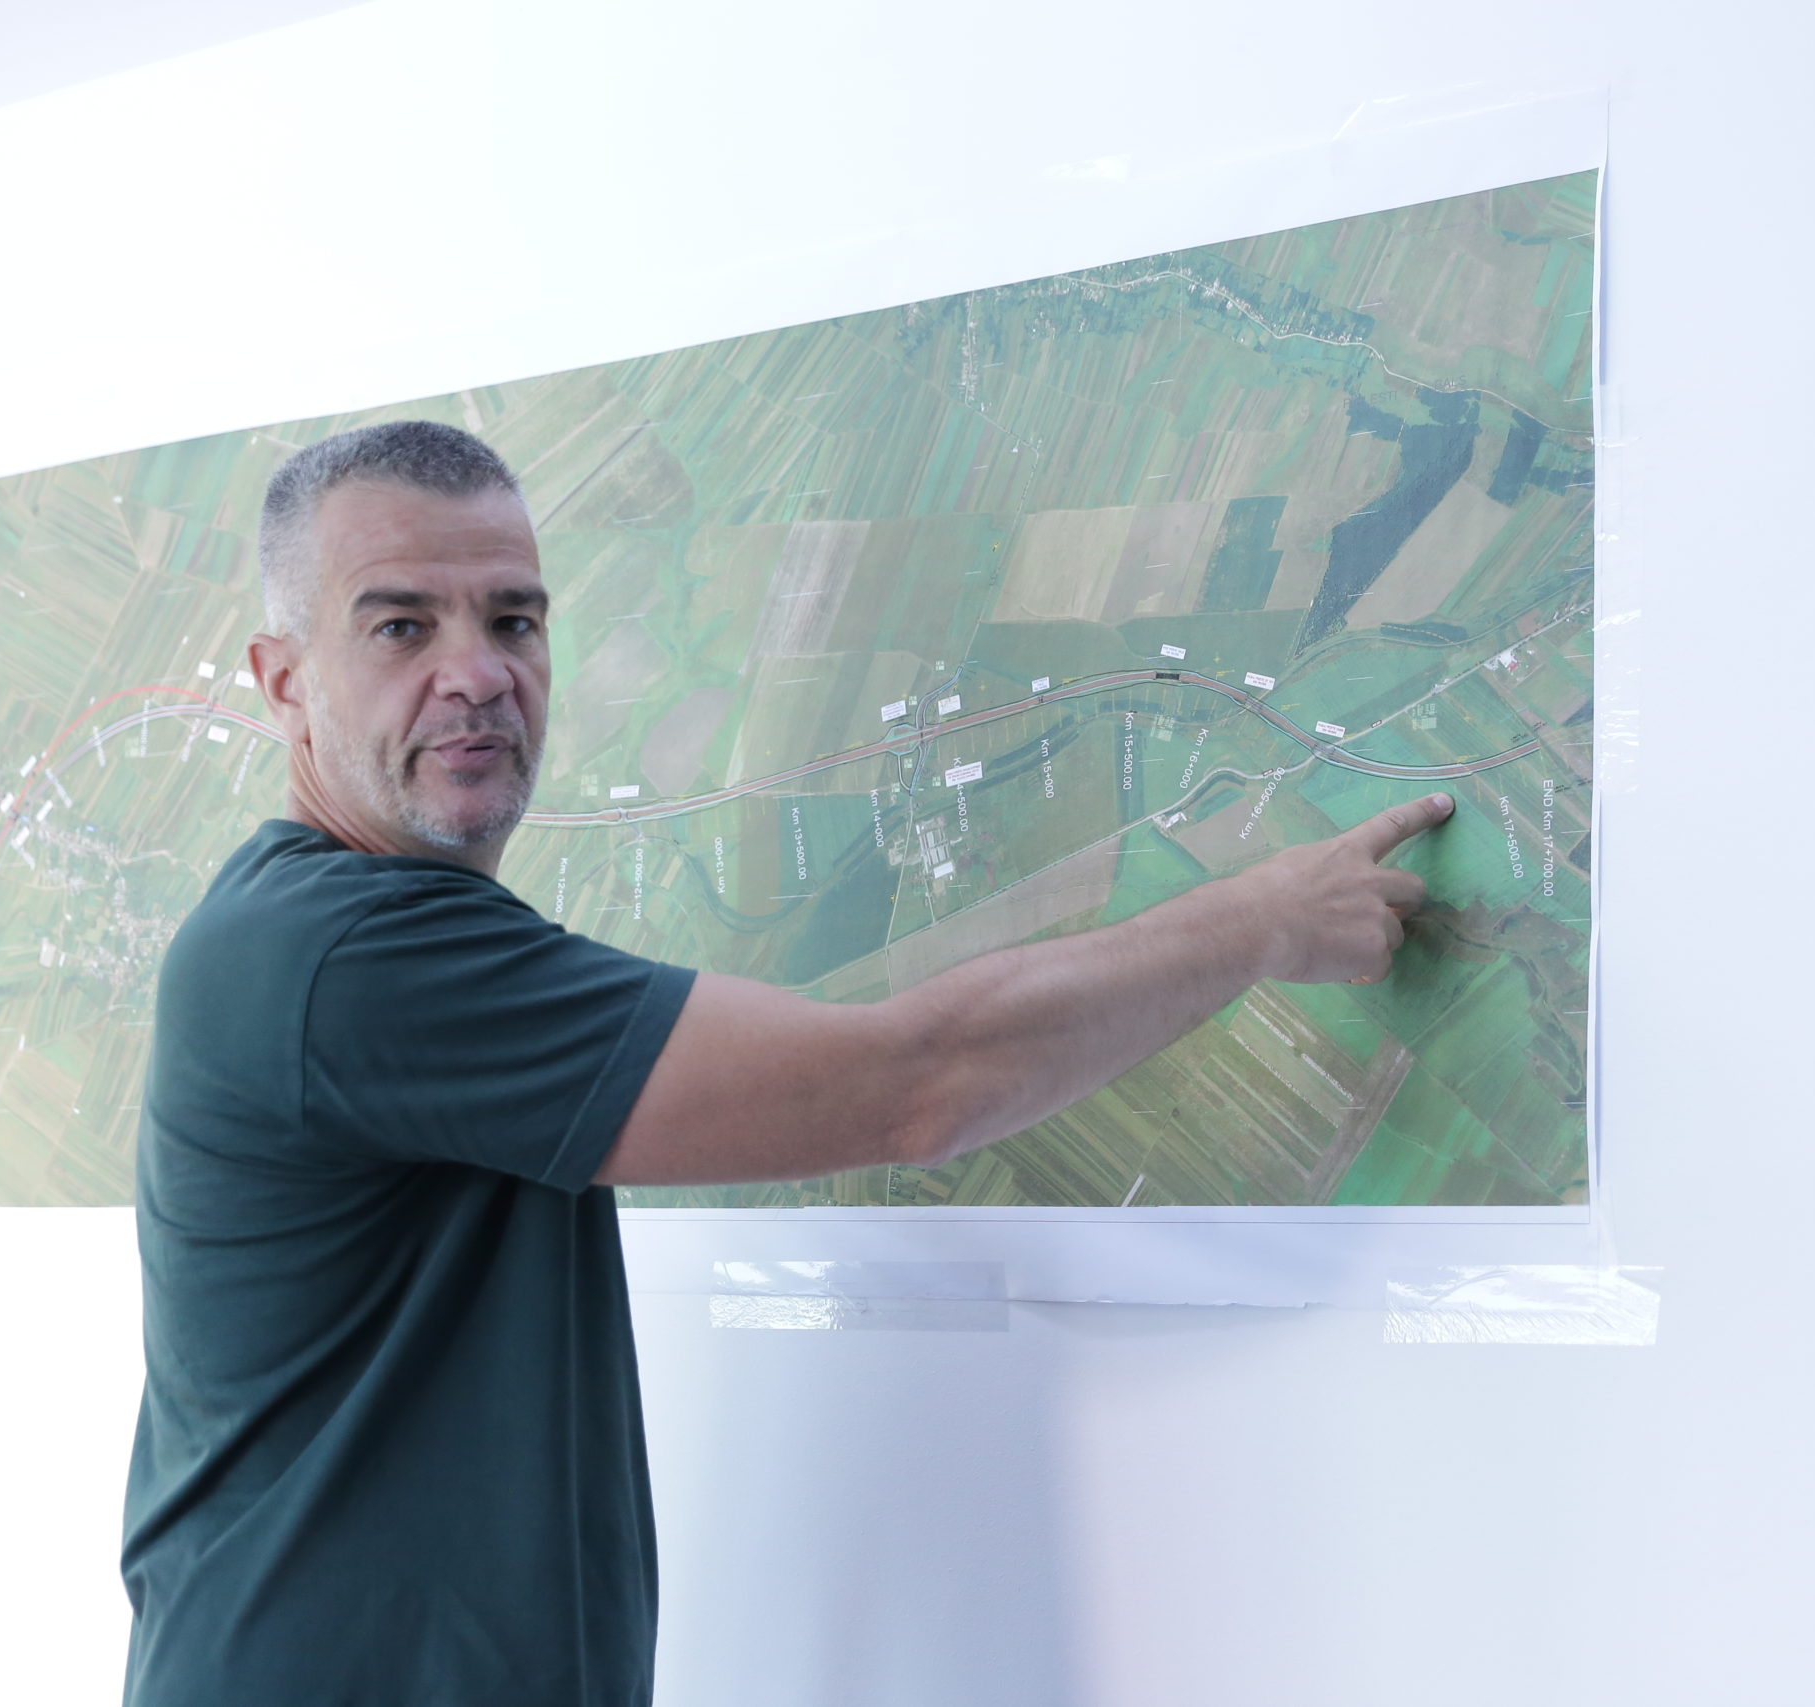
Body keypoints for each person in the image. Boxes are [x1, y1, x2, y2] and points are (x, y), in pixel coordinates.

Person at [119, 419, 1453, 1705]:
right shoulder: (346, 957)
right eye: (401, 626)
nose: (477, 672)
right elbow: (912, 1087)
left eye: (514, 621)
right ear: (284, 680)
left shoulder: (319, 928)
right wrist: (1260, 923)